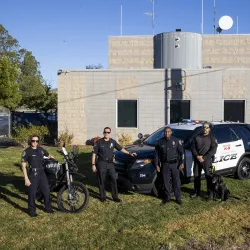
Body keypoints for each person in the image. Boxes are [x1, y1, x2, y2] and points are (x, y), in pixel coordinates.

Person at [92, 127, 137, 203]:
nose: (107, 133)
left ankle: (115, 197)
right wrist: (93, 164)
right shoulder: (99, 142)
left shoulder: (112, 142)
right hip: (101, 163)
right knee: (101, 180)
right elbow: (94, 154)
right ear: (103, 133)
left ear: (110, 133)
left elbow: (120, 148)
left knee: (113, 179)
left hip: (110, 164)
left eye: (108, 132)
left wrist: (129, 153)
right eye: (105, 132)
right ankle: (103, 197)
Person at [21, 134, 54, 217]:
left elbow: (48, 155)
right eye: (33, 141)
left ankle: (48, 208)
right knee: (32, 193)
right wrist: (26, 178)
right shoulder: (27, 152)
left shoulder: (41, 150)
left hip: (42, 173)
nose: (35, 142)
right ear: (30, 141)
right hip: (33, 174)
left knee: (46, 191)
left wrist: (52, 158)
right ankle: (32, 211)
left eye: (37, 141)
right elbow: (23, 166)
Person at [155, 127, 184, 205]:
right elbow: (156, 154)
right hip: (165, 164)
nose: (167, 133)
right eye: (165, 132)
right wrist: (157, 164)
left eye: (168, 132)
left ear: (171, 132)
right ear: (164, 133)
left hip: (175, 164)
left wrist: (182, 162)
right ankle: (167, 197)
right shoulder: (160, 142)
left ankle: (178, 198)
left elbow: (181, 153)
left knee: (176, 182)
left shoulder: (176, 140)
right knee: (166, 182)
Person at [190, 122, 218, 199]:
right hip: (197, 160)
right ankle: (196, 191)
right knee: (196, 176)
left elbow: (213, 150)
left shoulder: (212, 138)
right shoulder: (197, 137)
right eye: (203, 127)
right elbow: (193, 148)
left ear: (209, 129)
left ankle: (210, 193)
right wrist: (197, 156)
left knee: (209, 176)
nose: (205, 129)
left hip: (208, 161)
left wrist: (204, 157)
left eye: (206, 127)